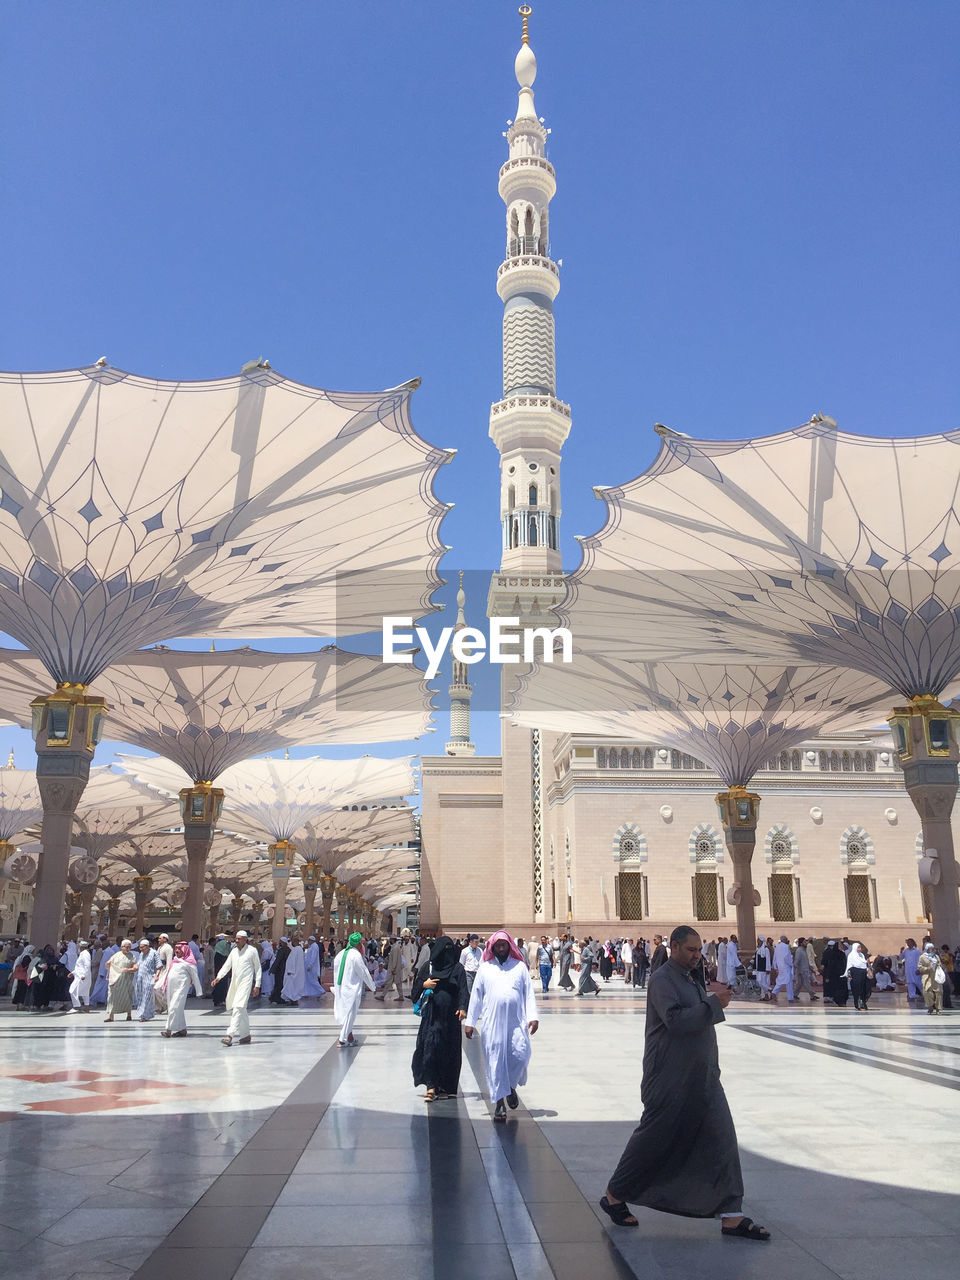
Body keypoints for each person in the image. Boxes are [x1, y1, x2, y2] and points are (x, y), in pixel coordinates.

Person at [600, 926, 769, 1241]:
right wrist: (715, 1004)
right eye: (691, 950)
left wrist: (711, 1001)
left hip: (701, 1076)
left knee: (722, 1138)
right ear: (674, 947)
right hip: (669, 1077)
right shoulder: (664, 979)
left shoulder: (689, 977)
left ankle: (732, 1216)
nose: (696, 956)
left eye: (699, 950)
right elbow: (676, 1021)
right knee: (653, 1139)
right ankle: (613, 1195)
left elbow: (695, 1015)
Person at [464, 930, 539, 1122]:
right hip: (493, 1022)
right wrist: (470, 1022)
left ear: (509, 947)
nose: (501, 948)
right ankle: (499, 1103)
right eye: (497, 946)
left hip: (516, 1021)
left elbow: (528, 993)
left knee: (520, 1055)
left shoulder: (519, 967)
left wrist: (533, 1016)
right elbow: (476, 996)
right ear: (492, 948)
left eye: (504, 945)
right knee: (495, 1061)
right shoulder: (485, 968)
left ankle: (511, 1086)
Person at [411, 935, 469, 1100]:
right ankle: (431, 1085)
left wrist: (463, 1008)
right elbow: (414, 994)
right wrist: (424, 985)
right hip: (432, 1017)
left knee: (449, 1051)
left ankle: (445, 1087)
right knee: (430, 1049)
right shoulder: (428, 968)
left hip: (451, 1019)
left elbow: (463, 991)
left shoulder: (457, 969)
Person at [218, 931, 262, 1046]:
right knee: (241, 1009)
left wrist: (257, 984)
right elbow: (227, 966)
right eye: (236, 939)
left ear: (245, 939)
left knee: (238, 1007)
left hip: (246, 983)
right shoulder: (233, 952)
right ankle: (245, 1035)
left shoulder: (252, 951)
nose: (236, 941)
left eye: (239, 939)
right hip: (235, 984)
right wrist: (218, 977)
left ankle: (229, 1035)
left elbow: (257, 968)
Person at [333, 931, 375, 1045]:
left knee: (346, 1012)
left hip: (341, 987)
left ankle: (350, 1037)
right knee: (350, 1014)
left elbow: (335, 971)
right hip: (352, 988)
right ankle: (342, 1040)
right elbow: (363, 972)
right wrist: (372, 987)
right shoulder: (355, 955)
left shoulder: (341, 954)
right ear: (357, 944)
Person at [161, 942, 203, 1037]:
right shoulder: (175, 960)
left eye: (179, 949)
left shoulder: (189, 963)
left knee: (174, 1007)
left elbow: (195, 976)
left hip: (181, 988)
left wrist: (198, 991)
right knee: (176, 1008)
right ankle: (182, 1029)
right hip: (172, 988)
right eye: (175, 949)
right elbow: (168, 973)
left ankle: (168, 1030)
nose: (176, 951)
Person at [104, 939, 137, 1022]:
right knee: (112, 997)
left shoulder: (132, 956)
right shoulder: (116, 955)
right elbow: (108, 965)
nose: (128, 948)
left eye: (129, 947)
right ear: (122, 947)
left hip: (126, 981)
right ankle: (111, 1016)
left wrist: (128, 969)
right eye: (126, 947)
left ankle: (129, 1015)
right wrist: (108, 964)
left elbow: (136, 967)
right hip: (115, 981)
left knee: (127, 997)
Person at [133, 938, 161, 1021]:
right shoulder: (141, 954)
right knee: (140, 996)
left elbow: (159, 966)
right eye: (140, 947)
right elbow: (139, 964)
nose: (141, 949)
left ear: (148, 946)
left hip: (149, 978)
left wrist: (157, 976)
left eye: (142, 947)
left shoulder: (154, 953)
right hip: (140, 978)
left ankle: (144, 1015)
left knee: (147, 997)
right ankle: (144, 1014)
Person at [917, 942, 945, 1015]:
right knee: (927, 992)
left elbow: (940, 965)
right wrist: (927, 968)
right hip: (927, 977)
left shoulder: (936, 956)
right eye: (930, 948)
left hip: (936, 977)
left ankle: (938, 1009)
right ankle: (930, 1006)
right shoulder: (922, 957)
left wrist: (938, 965)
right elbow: (920, 967)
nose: (931, 950)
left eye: (932, 948)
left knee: (938, 992)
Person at [376, 936, 405, 1002]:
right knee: (395, 983)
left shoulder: (395, 948)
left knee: (391, 982)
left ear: (392, 940)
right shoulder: (396, 947)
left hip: (393, 969)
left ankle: (383, 996)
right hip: (396, 969)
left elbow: (394, 959)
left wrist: (393, 969)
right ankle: (400, 996)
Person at [844, 942, 870, 1011]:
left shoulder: (861, 955)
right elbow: (849, 966)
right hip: (855, 975)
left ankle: (863, 1002)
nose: (859, 949)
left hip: (863, 974)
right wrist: (849, 975)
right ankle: (858, 1004)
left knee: (865, 989)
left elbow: (864, 964)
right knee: (857, 990)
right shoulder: (851, 955)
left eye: (860, 947)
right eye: (858, 947)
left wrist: (867, 965)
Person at [821, 940, 848, 1005]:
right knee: (836, 989)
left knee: (843, 989)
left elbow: (845, 964)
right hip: (834, 976)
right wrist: (827, 976)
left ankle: (842, 1001)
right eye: (840, 945)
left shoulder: (842, 954)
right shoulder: (832, 954)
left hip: (842, 975)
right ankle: (838, 1001)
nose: (841, 946)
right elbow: (829, 966)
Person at [68, 940, 92, 1012]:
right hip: (81, 975)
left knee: (72, 990)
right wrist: (73, 973)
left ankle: (76, 1006)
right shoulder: (83, 954)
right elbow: (80, 966)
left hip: (82, 976)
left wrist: (84, 975)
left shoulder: (85, 954)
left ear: (81, 947)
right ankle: (86, 1008)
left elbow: (87, 965)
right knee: (85, 992)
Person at [281, 937, 305, 1005]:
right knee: (294, 986)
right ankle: (293, 999)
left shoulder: (296, 949)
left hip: (293, 972)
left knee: (291, 986)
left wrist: (290, 970)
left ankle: (294, 999)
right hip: (298, 972)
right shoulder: (299, 949)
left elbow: (292, 961)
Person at [793, 937, 819, 1001]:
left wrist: (810, 967)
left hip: (804, 969)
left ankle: (794, 994)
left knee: (799, 984)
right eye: (805, 942)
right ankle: (812, 995)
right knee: (806, 983)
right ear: (801, 943)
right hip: (801, 970)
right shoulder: (799, 951)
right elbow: (796, 961)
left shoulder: (804, 950)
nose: (806, 943)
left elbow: (805, 961)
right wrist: (796, 970)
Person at [771, 936, 795, 1002]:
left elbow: (774, 958)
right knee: (788, 982)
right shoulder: (786, 947)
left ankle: (775, 992)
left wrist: (775, 967)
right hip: (786, 967)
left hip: (780, 967)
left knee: (781, 980)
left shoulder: (777, 947)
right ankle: (790, 998)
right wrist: (791, 964)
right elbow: (787, 957)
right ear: (784, 940)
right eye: (786, 939)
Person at [211, 935, 232, 1007]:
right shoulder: (224, 955)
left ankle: (217, 1000)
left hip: (218, 973)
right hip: (223, 974)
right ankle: (221, 999)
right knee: (222, 985)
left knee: (218, 984)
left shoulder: (217, 952)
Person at [269, 937, 291, 1005]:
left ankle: (277, 998)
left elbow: (278, 960)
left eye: (280, 941)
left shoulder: (282, 950)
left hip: (280, 970)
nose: (279, 943)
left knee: (278, 984)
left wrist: (272, 969)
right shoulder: (289, 950)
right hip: (285, 970)